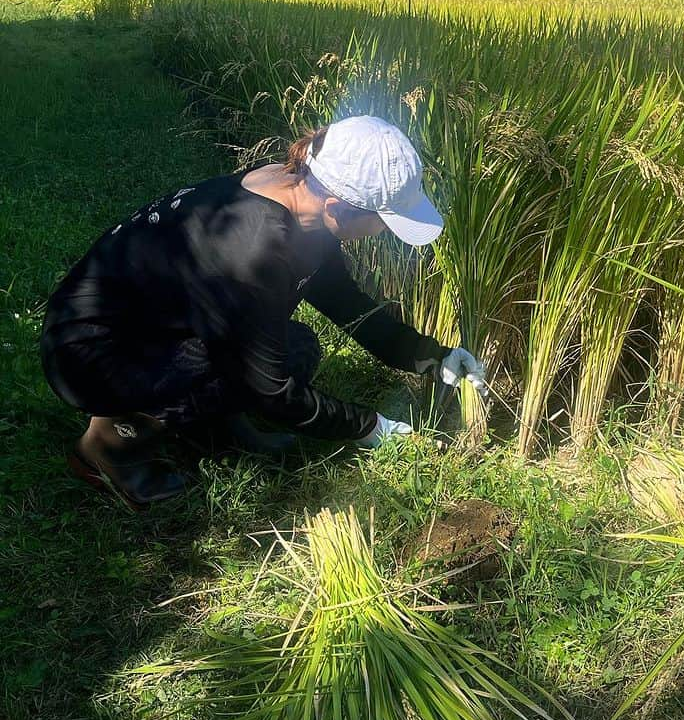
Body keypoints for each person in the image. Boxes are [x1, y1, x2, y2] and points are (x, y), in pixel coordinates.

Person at [40, 115, 486, 507]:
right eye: (383, 221)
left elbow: (346, 304)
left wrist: (432, 357)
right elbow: (272, 390)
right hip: (90, 354)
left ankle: (212, 427)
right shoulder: (255, 250)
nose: (383, 233)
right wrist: (369, 428)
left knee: (297, 347)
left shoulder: (301, 196)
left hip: (153, 327)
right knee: (270, 369)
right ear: (338, 208)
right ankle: (107, 446)